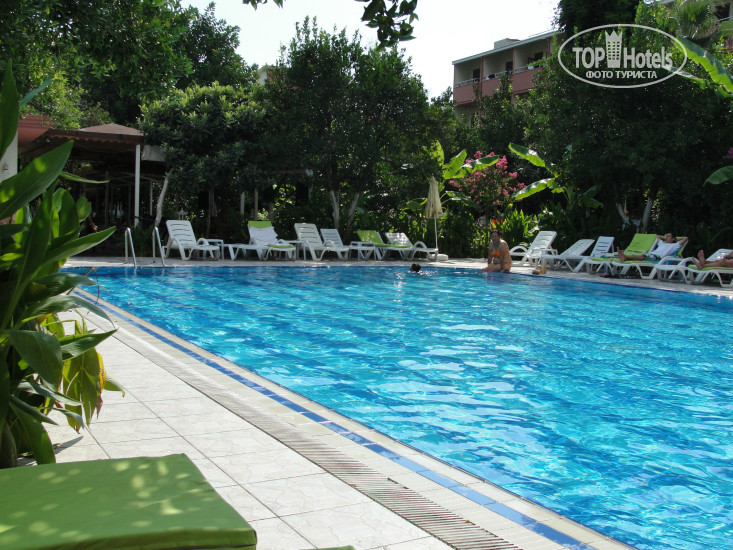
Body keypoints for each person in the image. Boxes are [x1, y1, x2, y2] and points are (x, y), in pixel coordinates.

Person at [617, 233, 688, 263]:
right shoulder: (662, 243)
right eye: (666, 236)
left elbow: (686, 238)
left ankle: (624, 256)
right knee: (641, 256)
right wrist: (665, 238)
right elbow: (657, 236)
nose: (666, 237)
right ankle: (625, 258)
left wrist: (676, 239)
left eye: (668, 236)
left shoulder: (675, 245)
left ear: (673, 238)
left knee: (642, 256)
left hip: (659, 258)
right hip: (652, 255)